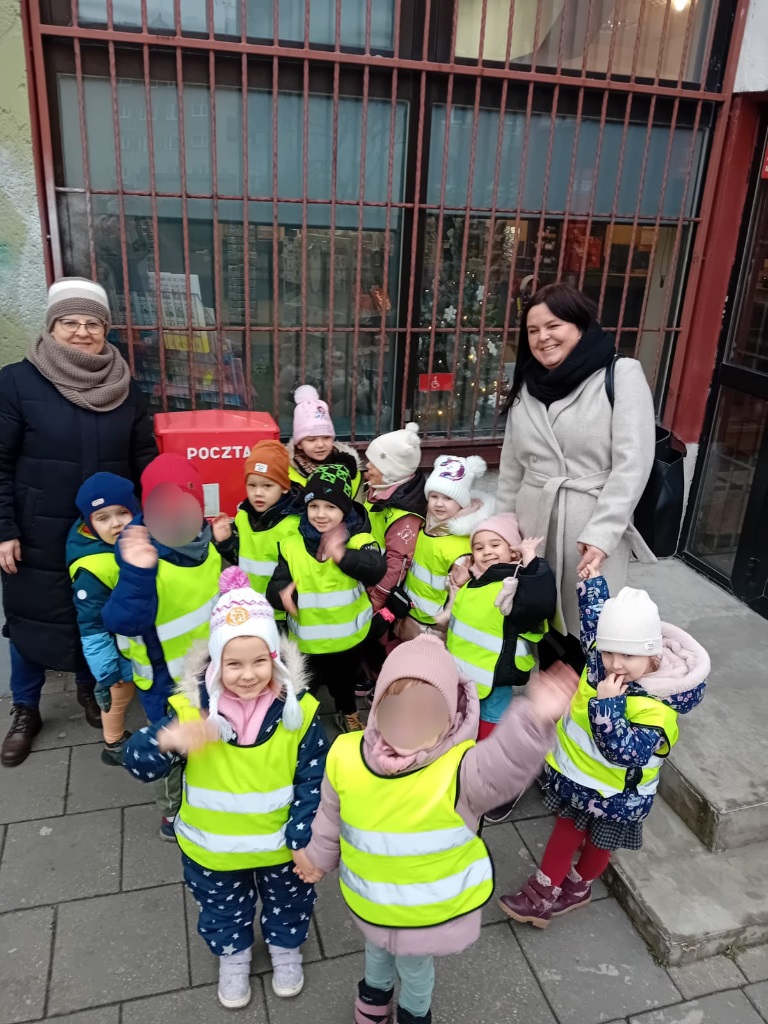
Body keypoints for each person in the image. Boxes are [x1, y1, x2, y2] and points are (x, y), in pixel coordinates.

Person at [294, 634, 575, 1024]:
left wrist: (533, 719)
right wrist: (317, 858)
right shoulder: (346, 755)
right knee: (376, 951)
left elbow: (503, 766)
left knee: (413, 969)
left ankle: (413, 1016)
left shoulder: (462, 771)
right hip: (372, 899)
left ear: (450, 721)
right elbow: (330, 814)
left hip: (422, 910)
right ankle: (373, 1001)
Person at [123, 566, 326, 1008]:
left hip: (280, 848)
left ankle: (285, 949)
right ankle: (233, 957)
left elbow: (314, 779)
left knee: (290, 903)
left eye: (259, 661)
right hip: (212, 849)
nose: (248, 674)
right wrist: (167, 740)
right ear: (215, 664)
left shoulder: (301, 713)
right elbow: (137, 764)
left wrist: (302, 840)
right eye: (234, 663)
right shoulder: (190, 712)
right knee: (222, 910)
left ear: (275, 659)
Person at [0, 277, 157, 767]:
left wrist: (155, 519)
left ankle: (92, 689)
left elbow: (145, 459)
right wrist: (5, 528)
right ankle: (26, 707)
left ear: (106, 329)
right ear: (52, 326)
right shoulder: (17, 382)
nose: (82, 332)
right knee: (32, 616)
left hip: (108, 528)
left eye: (93, 323)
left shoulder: (125, 387)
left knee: (96, 612)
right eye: (70, 322)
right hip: (39, 527)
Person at [499, 572, 710, 929]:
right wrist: (592, 579)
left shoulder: (658, 706)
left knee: (598, 845)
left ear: (652, 654)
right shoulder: (604, 657)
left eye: (627, 655)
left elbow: (625, 753)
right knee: (566, 832)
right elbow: (595, 620)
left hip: (616, 796)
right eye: (609, 651)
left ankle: (576, 887)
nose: (615, 663)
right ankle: (545, 893)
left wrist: (609, 706)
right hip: (578, 779)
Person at [496, 282, 656, 669]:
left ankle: (589, 699)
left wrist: (602, 534)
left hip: (589, 527)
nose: (543, 338)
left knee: (590, 627)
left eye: (553, 326)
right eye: (533, 330)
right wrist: (503, 529)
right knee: (535, 617)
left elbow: (633, 464)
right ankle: (549, 693)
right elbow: (511, 467)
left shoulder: (621, 374)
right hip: (533, 524)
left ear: (580, 326)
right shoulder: (527, 383)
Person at [102, 453, 222, 838]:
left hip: (205, 669)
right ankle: (172, 814)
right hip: (163, 681)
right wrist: (137, 573)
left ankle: (207, 791)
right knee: (170, 748)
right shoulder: (142, 556)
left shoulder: (205, 541)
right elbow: (121, 619)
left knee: (202, 736)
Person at [267, 464, 386, 733]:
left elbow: (376, 569)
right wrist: (281, 595)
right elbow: (278, 582)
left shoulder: (359, 539)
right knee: (304, 686)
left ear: (345, 509)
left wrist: (342, 555)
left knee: (344, 684)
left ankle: (348, 714)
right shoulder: (292, 544)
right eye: (314, 506)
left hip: (348, 640)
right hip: (307, 641)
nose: (320, 514)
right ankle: (303, 726)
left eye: (330, 507)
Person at [445, 513, 556, 752]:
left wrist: (531, 561)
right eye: (479, 547)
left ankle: (487, 757)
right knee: (466, 719)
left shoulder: (515, 586)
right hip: (466, 674)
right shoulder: (474, 583)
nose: (486, 551)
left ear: (513, 552)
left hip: (496, 679)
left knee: (491, 725)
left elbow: (539, 603)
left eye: (495, 545)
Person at [66, 473, 140, 766]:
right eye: (103, 518)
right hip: (117, 649)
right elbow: (91, 626)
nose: (116, 523)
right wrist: (106, 669)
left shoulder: (136, 540)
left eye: (122, 512)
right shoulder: (93, 567)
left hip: (137, 640)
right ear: (89, 522)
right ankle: (114, 743)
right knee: (119, 694)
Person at [361, 422, 427, 685]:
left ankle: (386, 684)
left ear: (391, 472)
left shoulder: (403, 515)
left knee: (383, 640)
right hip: (370, 578)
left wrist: (377, 599)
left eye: (374, 463)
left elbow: (397, 564)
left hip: (384, 592)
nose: (367, 466)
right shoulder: (378, 492)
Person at [211, 440, 303, 623]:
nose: (258, 493)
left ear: (284, 487)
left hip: (280, 615)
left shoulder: (294, 525)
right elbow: (241, 560)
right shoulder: (243, 517)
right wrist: (226, 542)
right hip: (248, 609)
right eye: (252, 485)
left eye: (267, 486)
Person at [402, 455, 492, 639]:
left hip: (436, 626)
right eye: (434, 496)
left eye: (448, 498)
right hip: (412, 612)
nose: (439, 503)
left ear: (461, 502)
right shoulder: (425, 527)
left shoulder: (462, 547)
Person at [287, 384, 362, 497]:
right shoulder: (286, 472)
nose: (320, 444)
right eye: (311, 440)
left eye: (326, 438)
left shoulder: (350, 468)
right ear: (299, 444)